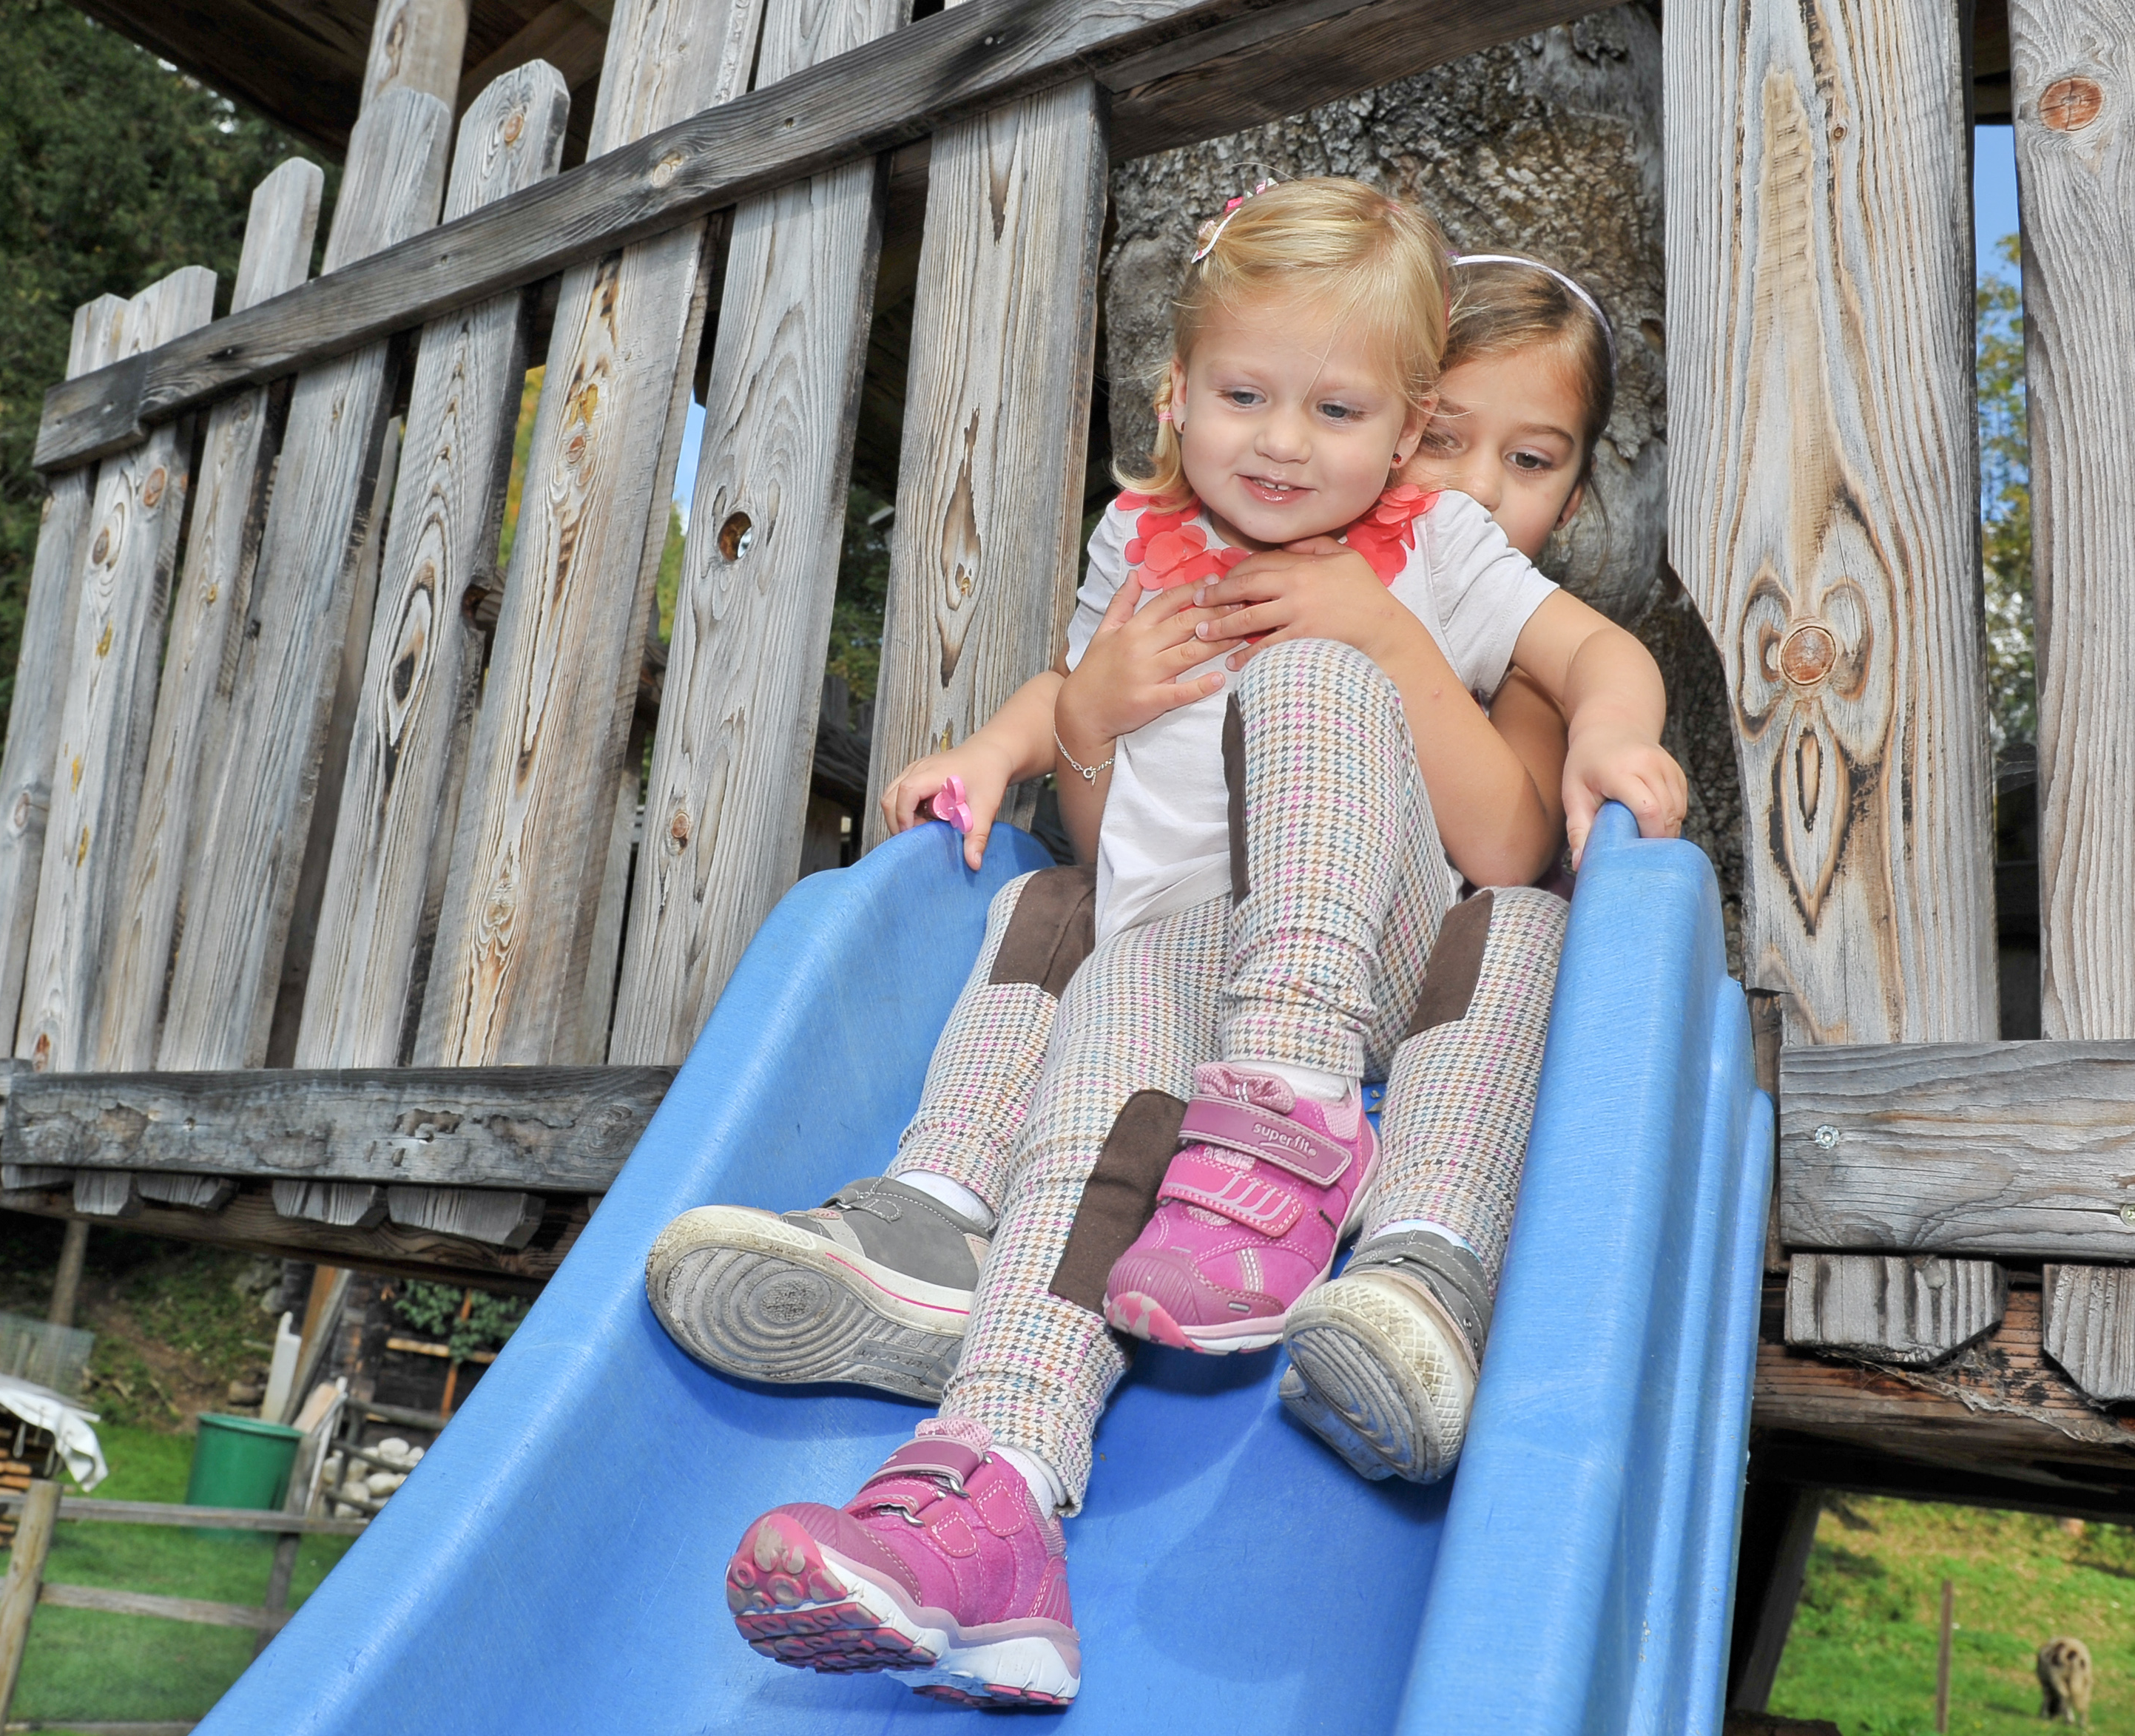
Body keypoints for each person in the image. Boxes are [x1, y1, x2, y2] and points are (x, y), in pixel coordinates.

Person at [666, 181, 1686, 1707]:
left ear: (1393, 431)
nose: (1280, 439)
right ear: (1177, 395)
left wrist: (1606, 732)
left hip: (1373, 964)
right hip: (1186, 949)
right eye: (1243, 396)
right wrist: (1071, 716)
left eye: (1331, 407)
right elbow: (1095, 810)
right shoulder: (1141, 548)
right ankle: (985, 1499)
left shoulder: (1428, 550)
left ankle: (1337, 1179)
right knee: (1097, 1075)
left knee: (1338, 715)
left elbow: (1573, 695)